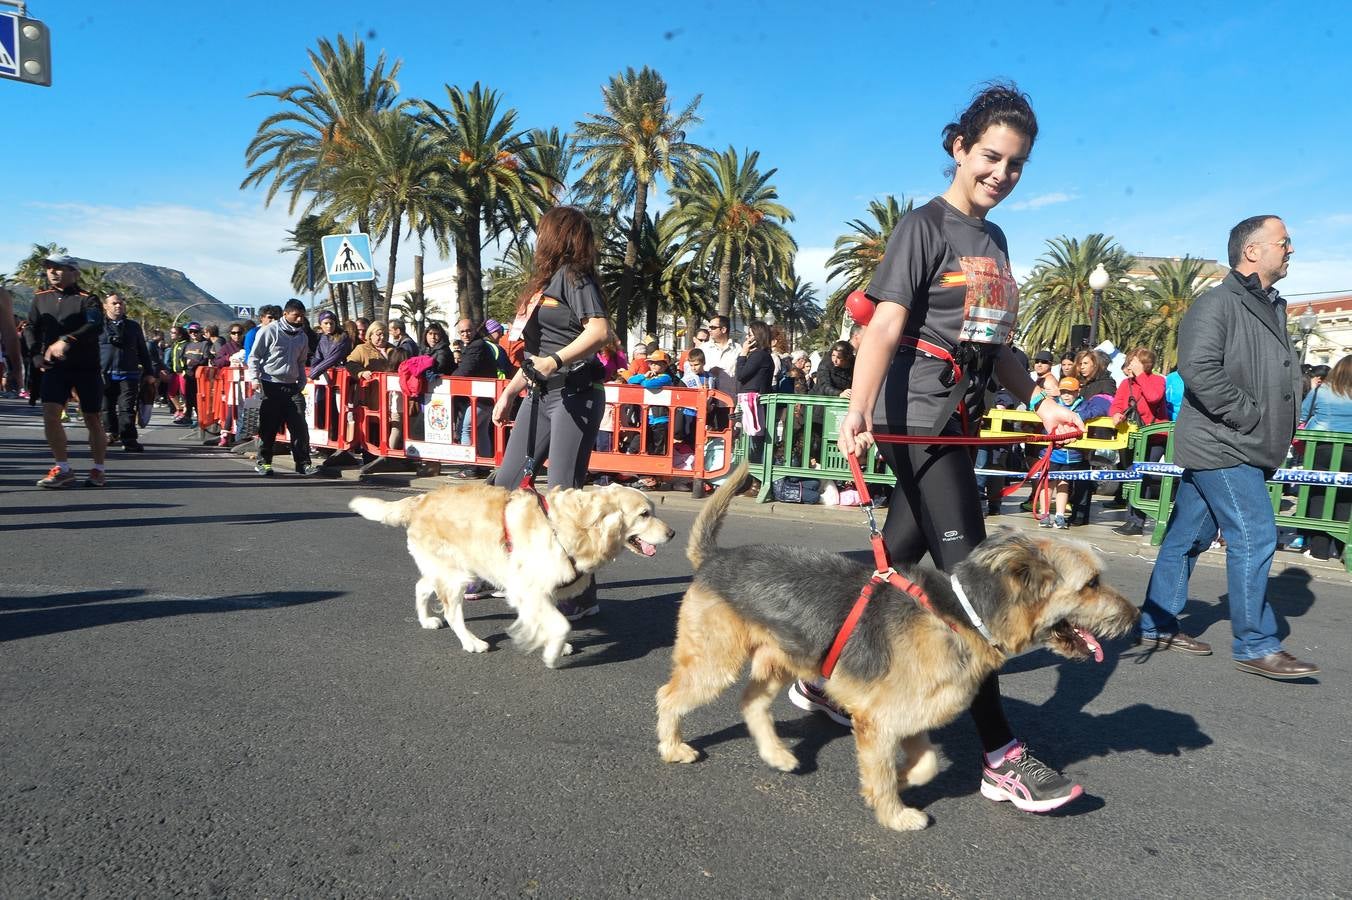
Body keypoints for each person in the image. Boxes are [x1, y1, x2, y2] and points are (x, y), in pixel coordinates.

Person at [824, 83, 1088, 812]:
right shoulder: (923, 226)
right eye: (991, 157)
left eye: (1017, 165)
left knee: (900, 558)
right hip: (916, 416)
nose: (1001, 174)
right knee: (973, 582)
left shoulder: (996, 242)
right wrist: (858, 409)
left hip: (958, 419)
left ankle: (822, 676)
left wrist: (1042, 403)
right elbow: (882, 326)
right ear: (959, 148)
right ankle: (1002, 756)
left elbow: (998, 349)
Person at [1138, 214, 1318, 679]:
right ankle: (1256, 644)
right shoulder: (1216, 303)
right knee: (1255, 534)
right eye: (1284, 241)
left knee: (1188, 537)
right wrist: (1249, 416)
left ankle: (1156, 624)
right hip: (1226, 444)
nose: (1291, 249)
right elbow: (1198, 369)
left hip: (1242, 443)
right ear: (1253, 250)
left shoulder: (1269, 305)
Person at [490, 205, 610, 620]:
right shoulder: (542, 284)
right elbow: (536, 356)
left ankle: (582, 592)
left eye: (544, 230)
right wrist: (509, 391)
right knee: (506, 483)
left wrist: (556, 362)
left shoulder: (576, 277)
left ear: (558, 235)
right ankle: (502, 569)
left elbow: (599, 332)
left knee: (562, 495)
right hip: (541, 395)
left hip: (575, 394)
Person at [29, 255, 110, 488]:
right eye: (49, 268)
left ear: (74, 272)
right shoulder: (40, 298)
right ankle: (63, 468)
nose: (52, 272)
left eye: (59, 268)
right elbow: (31, 328)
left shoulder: (87, 299)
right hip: (55, 367)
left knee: (92, 417)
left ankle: (98, 469)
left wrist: (67, 339)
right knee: (50, 414)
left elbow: (95, 324)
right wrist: (35, 355)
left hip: (86, 367)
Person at [247, 299, 318, 477]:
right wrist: (255, 379)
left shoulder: (302, 336)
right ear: (286, 314)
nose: (300, 319)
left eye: (302, 316)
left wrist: (301, 381)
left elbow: (301, 362)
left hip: (292, 387)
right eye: (296, 315)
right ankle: (264, 462)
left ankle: (303, 464)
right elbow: (254, 357)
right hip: (270, 384)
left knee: (300, 426)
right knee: (268, 427)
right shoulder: (269, 331)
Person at [1294, 355, 1352, 561]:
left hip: (1320, 446)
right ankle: (1341, 546)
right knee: (1345, 497)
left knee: (1318, 493)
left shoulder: (1322, 390)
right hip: (1350, 450)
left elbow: (1302, 415)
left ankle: (1318, 548)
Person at [1109, 347, 1168, 535]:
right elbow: (1117, 404)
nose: (1129, 364)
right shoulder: (1126, 384)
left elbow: (1153, 397)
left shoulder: (1157, 380)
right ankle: (1130, 518)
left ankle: (1138, 522)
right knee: (1131, 475)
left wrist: (1141, 374)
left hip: (1154, 437)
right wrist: (1116, 414)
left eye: (1133, 361)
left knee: (1144, 477)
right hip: (1131, 436)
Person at [1040, 377, 1111, 529]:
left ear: (1077, 392)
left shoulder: (1084, 406)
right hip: (1051, 452)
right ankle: (1044, 513)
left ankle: (1059, 515)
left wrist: (1081, 417)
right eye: (1063, 392)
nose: (1066, 395)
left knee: (1064, 483)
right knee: (1048, 483)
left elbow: (1099, 408)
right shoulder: (1052, 406)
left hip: (1072, 455)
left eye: (1070, 392)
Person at [98, 293, 156, 453]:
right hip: (104, 374)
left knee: (127, 408)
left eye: (121, 303)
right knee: (106, 407)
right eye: (114, 303)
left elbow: (143, 351)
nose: (118, 306)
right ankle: (110, 433)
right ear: (105, 306)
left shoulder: (133, 326)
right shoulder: (97, 325)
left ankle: (129, 439)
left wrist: (149, 373)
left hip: (128, 374)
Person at [346, 321, 409, 457]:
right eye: (379, 334)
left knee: (391, 424)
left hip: (391, 397)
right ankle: (369, 454)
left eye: (385, 334)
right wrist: (362, 372)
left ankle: (389, 453)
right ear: (370, 335)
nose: (382, 338)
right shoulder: (362, 349)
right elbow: (350, 364)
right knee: (372, 426)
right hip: (370, 396)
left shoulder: (393, 349)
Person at [699, 315, 740, 394]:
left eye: (713, 327)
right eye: (709, 327)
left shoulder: (738, 349)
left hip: (728, 399)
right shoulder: (703, 348)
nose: (709, 330)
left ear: (723, 329)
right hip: (707, 399)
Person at [181, 322, 212, 426]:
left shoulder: (205, 344)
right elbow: (183, 359)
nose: (193, 334)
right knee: (189, 398)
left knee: (199, 398)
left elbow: (206, 359)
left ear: (200, 332)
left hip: (200, 376)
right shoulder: (188, 345)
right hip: (189, 375)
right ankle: (187, 417)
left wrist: (195, 363)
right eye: (191, 331)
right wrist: (184, 366)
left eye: (196, 332)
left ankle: (201, 419)